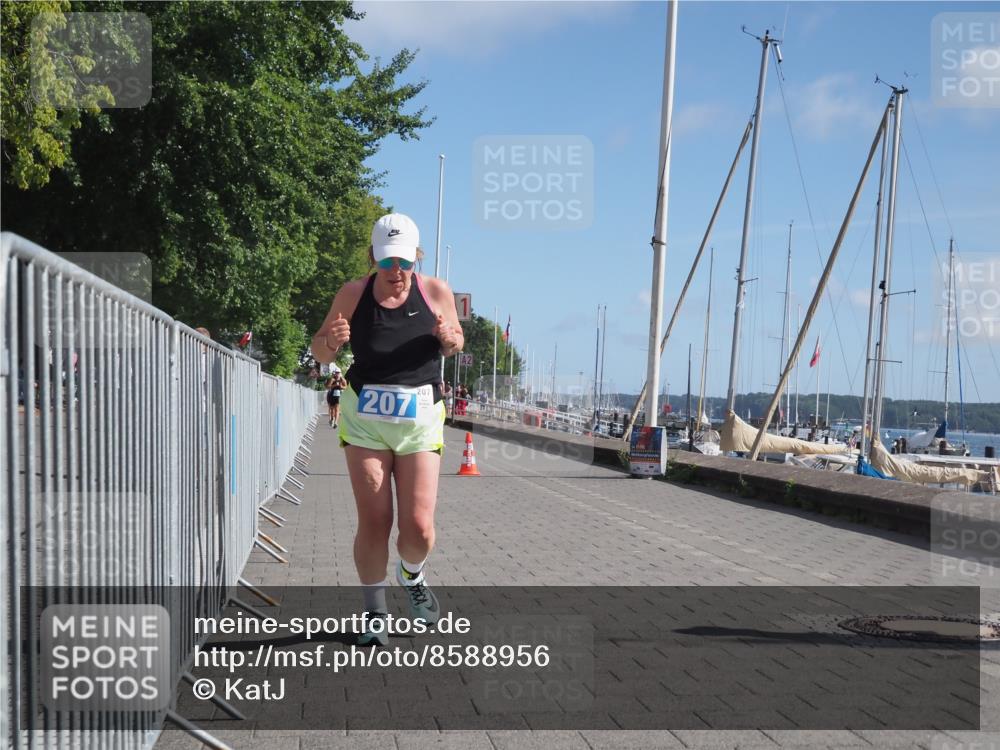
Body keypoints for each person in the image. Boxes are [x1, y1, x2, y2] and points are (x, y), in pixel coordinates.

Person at [311, 213, 464, 647]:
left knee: (418, 529)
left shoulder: (435, 291)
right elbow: (319, 346)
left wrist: (450, 339)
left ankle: (412, 575)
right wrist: (332, 342)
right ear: (373, 259)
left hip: (419, 420)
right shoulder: (354, 293)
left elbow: (455, 340)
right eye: (386, 262)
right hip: (366, 422)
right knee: (375, 521)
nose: (396, 272)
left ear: (416, 258)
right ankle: (375, 613)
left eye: (404, 262)